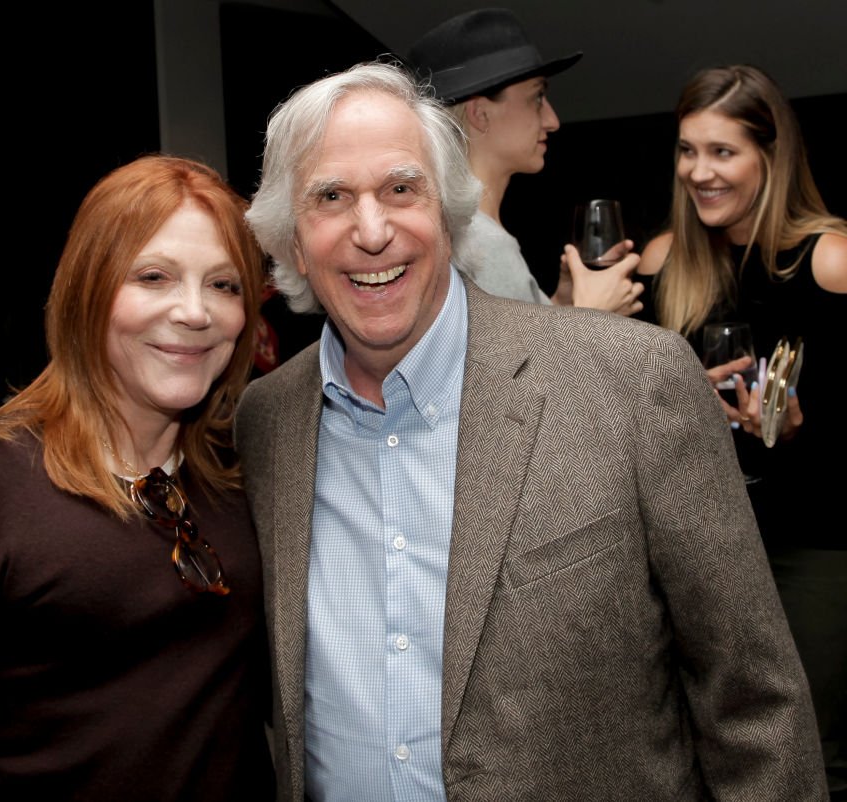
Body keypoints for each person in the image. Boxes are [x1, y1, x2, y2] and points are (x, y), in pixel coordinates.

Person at [234, 60, 825, 801]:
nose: (373, 230)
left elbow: (755, 705)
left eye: (400, 189)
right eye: (330, 197)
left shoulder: (631, 383)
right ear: (291, 241)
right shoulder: (264, 425)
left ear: (449, 211)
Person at [0, 155, 276, 801]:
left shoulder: (242, 467)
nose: (196, 312)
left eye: (225, 285)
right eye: (153, 276)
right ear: (89, 287)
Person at [637, 63, 847, 798]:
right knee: (696, 754)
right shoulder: (664, 262)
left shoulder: (830, 261)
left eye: (722, 152)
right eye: (687, 151)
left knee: (806, 753)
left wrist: (794, 432)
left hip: (808, 546)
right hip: (693, 550)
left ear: (770, 155)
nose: (700, 171)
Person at [406, 7, 643, 315]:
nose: (553, 121)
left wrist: (561, 303)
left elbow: (513, 343)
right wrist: (594, 314)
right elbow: (517, 364)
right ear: (480, 113)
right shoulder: (479, 243)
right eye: (538, 97)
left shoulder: (457, 229)